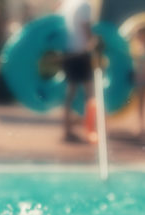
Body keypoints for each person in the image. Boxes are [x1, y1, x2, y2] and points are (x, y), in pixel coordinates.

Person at [58, 0, 93, 143]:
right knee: (89, 93)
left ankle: (67, 129)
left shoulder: (67, 4)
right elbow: (85, 27)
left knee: (70, 92)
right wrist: (93, 42)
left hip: (68, 52)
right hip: (81, 53)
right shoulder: (84, 4)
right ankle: (89, 128)